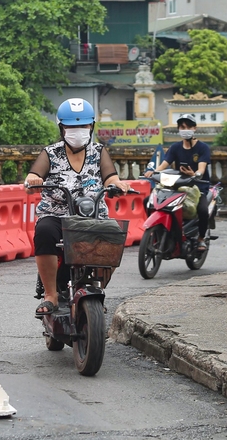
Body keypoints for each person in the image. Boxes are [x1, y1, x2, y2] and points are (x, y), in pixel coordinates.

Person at [24, 98, 131, 316]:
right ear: (62, 127)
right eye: (72, 126)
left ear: (91, 126)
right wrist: (33, 181)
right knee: (44, 232)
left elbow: (110, 178)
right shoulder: (50, 153)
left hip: (92, 214)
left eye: (83, 126)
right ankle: (51, 295)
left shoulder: (99, 152)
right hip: (57, 214)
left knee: (113, 235)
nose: (78, 131)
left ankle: (95, 288)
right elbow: (33, 176)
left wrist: (117, 185)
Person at [143, 113, 211, 251]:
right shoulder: (175, 147)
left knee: (203, 210)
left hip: (198, 187)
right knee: (147, 201)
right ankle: (158, 231)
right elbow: (164, 164)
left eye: (187, 127)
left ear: (194, 128)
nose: (184, 129)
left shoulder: (203, 148)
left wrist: (195, 174)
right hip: (178, 186)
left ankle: (201, 238)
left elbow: (201, 169)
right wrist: (153, 172)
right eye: (181, 127)